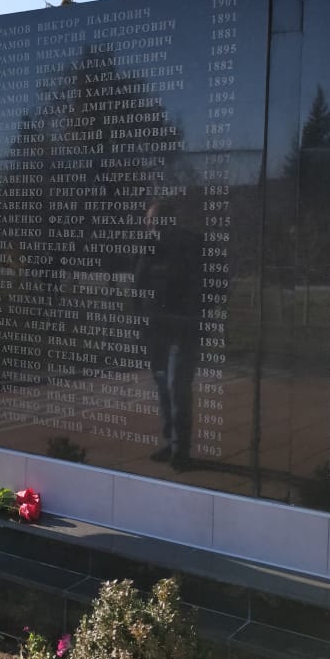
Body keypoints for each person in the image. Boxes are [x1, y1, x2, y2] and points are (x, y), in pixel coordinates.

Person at [134, 200, 202, 469]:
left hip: (183, 330)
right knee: (163, 386)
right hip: (156, 330)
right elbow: (138, 286)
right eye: (148, 222)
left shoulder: (194, 245)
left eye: (155, 222)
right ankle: (169, 441)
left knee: (177, 387)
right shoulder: (148, 250)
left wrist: (193, 314)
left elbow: (215, 283)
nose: (151, 227)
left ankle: (180, 449)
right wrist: (140, 319)